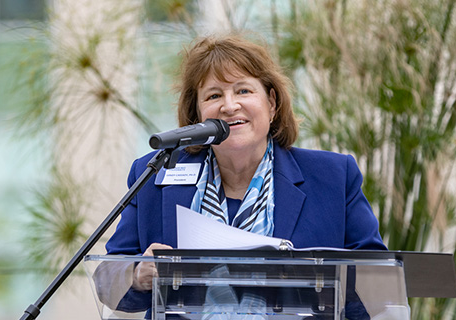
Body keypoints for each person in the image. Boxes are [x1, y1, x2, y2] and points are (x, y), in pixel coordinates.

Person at [97, 34, 386, 317]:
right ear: (197, 115)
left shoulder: (333, 176)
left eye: (243, 91)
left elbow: (381, 281)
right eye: (213, 95)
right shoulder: (155, 175)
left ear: (272, 103)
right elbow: (107, 277)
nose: (229, 105)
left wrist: (316, 283)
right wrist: (137, 275)